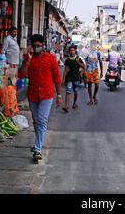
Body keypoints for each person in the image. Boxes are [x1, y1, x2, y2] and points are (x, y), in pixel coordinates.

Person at [18, 34, 62, 162]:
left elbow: (57, 78)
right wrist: (27, 61)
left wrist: (59, 96)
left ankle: (37, 149)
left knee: (42, 120)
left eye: (39, 46)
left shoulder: (51, 58)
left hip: (47, 95)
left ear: (43, 46)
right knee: (36, 121)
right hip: (32, 95)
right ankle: (38, 143)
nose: (37, 48)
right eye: (34, 46)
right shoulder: (28, 59)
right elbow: (21, 76)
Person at [62, 45, 85, 112]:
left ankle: (74, 103)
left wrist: (78, 62)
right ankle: (66, 106)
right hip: (69, 78)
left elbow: (83, 66)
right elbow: (66, 70)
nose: (72, 52)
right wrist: (63, 79)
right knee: (68, 91)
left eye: (73, 50)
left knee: (75, 92)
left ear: (75, 51)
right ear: (69, 51)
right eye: (70, 50)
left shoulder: (79, 59)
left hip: (76, 78)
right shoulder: (67, 60)